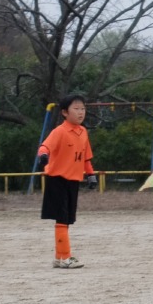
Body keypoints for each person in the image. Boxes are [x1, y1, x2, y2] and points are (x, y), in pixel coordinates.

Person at [36, 93, 97, 269]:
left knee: (68, 219)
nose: (81, 112)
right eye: (76, 109)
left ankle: (59, 257)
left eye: (83, 108)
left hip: (73, 180)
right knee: (62, 218)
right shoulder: (60, 131)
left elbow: (86, 157)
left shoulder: (83, 132)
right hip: (58, 179)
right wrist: (43, 156)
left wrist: (90, 174)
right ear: (64, 112)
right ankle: (65, 256)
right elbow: (44, 146)